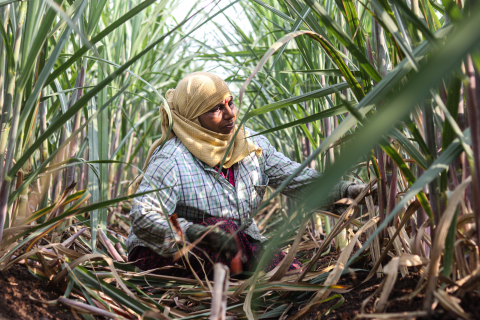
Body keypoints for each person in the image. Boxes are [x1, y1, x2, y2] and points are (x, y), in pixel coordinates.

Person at [126, 72, 373, 278]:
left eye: (229, 102)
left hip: (233, 242)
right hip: (166, 252)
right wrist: (191, 232)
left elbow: (292, 176)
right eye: (215, 109)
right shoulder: (171, 159)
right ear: (192, 118)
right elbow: (144, 215)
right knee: (223, 230)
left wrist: (343, 191)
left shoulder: (250, 145)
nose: (230, 114)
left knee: (288, 271)